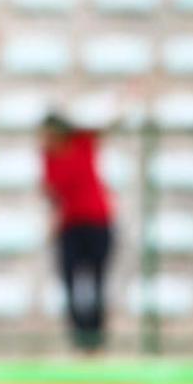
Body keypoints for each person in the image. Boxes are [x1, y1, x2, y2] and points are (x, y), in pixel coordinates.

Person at [41, 112, 114, 351]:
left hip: (97, 222)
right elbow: (53, 193)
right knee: (70, 279)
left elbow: (108, 120)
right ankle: (80, 336)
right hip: (70, 227)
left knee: (97, 279)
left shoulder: (83, 142)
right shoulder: (49, 157)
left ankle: (96, 336)